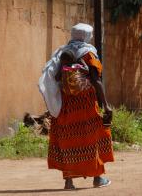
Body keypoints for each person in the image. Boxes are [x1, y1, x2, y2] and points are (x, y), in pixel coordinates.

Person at [39, 23, 114, 190]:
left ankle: (68, 181)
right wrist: (106, 105)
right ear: (87, 36)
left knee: (68, 140)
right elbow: (96, 81)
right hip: (86, 105)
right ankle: (97, 178)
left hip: (66, 106)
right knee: (91, 138)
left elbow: (55, 77)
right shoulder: (89, 54)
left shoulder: (61, 53)